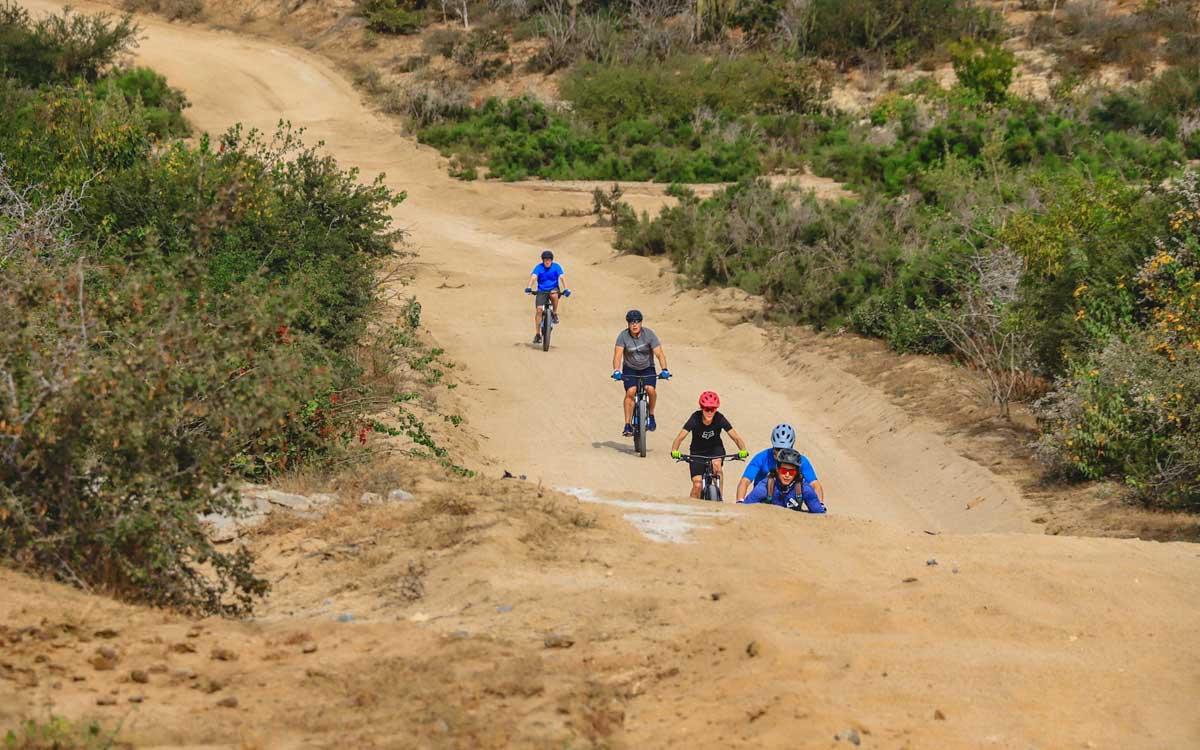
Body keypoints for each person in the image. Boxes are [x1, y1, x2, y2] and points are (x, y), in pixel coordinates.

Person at [669, 391, 748, 499]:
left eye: (713, 409)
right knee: (697, 485)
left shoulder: (720, 418)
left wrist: (742, 450)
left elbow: (735, 437)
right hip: (697, 452)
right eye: (707, 409)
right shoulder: (695, 418)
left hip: (715, 449)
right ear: (702, 408)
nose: (710, 412)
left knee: (717, 467)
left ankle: (720, 497)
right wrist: (674, 450)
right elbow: (680, 437)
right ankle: (691, 505)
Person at [611, 309, 670, 436]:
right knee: (630, 392)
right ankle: (627, 425)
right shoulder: (623, 336)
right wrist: (616, 370)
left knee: (650, 390)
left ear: (641, 323)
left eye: (637, 322)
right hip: (630, 368)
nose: (634, 325)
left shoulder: (649, 335)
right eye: (632, 322)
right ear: (628, 324)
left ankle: (652, 415)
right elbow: (617, 355)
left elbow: (659, 353)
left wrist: (664, 369)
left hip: (647, 368)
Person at [734, 423, 824, 504]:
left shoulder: (801, 461)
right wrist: (740, 501)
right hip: (762, 502)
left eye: (784, 450)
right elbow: (745, 481)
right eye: (777, 449)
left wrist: (820, 504)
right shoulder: (761, 457)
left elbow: (815, 485)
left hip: (790, 503)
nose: (780, 453)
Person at [739, 448, 825, 513]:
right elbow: (744, 510)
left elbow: (819, 515)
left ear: (797, 472)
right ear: (777, 469)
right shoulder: (764, 487)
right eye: (784, 471)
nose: (787, 475)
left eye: (791, 472)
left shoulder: (804, 489)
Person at [525, 250, 570, 344]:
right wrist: (529, 287)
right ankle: (538, 334)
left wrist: (566, 288)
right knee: (539, 310)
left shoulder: (556, 267)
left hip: (553, 288)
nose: (547, 262)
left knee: (554, 295)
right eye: (545, 260)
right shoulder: (539, 267)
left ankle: (554, 313)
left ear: (552, 260)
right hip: (541, 290)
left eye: (549, 260)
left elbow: (562, 277)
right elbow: (533, 276)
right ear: (543, 260)